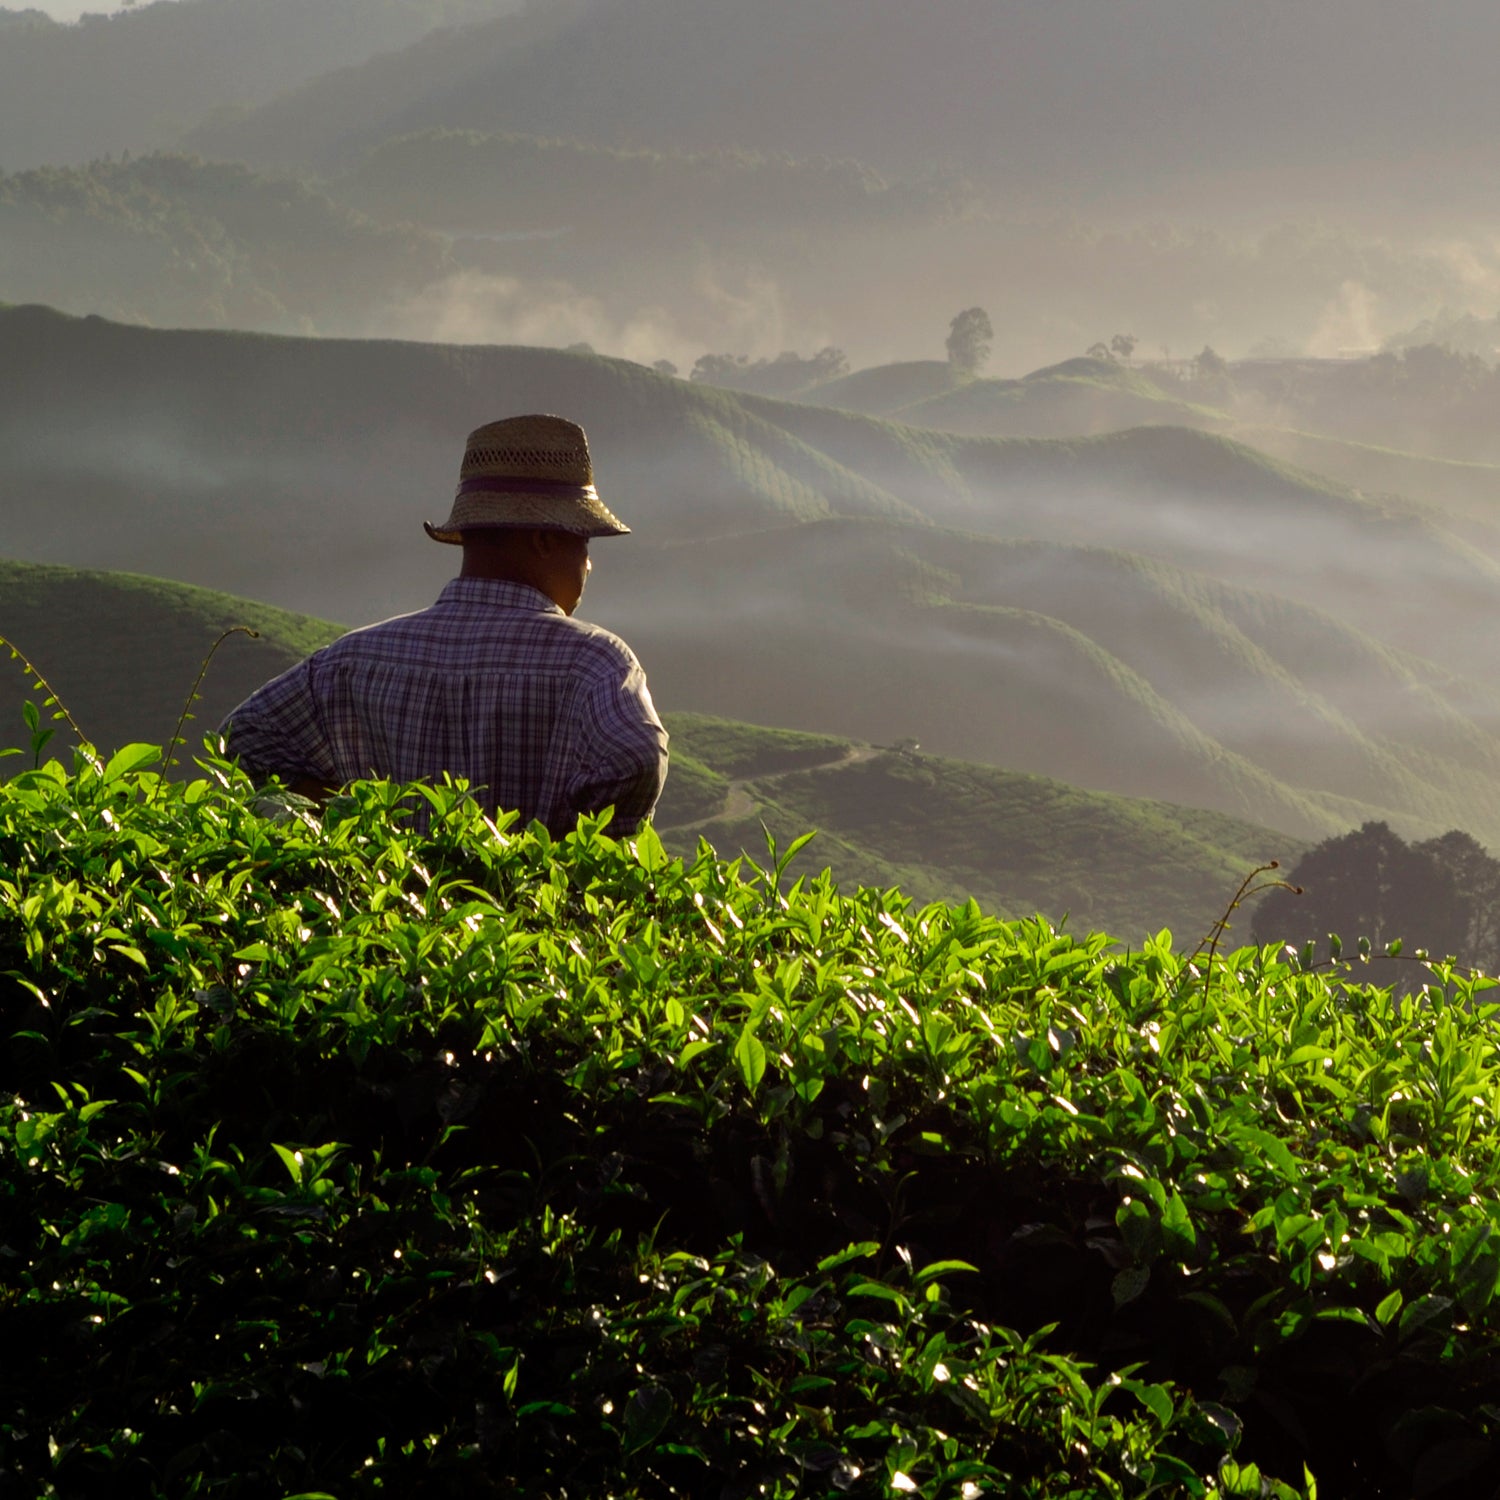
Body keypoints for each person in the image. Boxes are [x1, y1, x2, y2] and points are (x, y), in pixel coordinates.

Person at [219, 413, 668, 835]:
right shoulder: (593, 664)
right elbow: (636, 757)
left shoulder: (352, 661)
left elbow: (243, 738)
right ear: (545, 540)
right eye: (584, 543)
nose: (589, 566)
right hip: (534, 914)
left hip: (385, 913)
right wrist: (569, 849)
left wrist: (354, 822)